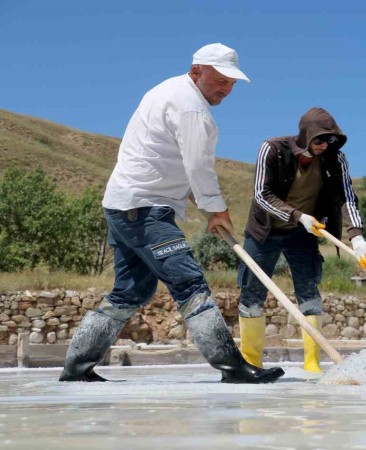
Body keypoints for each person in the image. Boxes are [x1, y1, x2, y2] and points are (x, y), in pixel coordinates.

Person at [59, 43, 284, 384]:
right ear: (197, 71)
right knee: (190, 284)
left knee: (130, 292)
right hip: (145, 210)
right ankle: (232, 367)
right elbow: (197, 164)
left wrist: (200, 200)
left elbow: (170, 160)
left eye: (232, 82)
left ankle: (77, 367)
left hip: (123, 206)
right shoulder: (192, 107)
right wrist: (216, 209)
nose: (226, 88)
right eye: (220, 79)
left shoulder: (167, 90)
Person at [238, 107, 366, 373]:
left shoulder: (335, 159)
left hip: (303, 233)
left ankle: (312, 363)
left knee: (310, 294)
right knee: (252, 294)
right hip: (264, 231)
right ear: (305, 136)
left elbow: (346, 196)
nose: (325, 146)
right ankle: (252, 362)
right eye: (320, 140)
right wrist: (298, 215)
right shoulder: (273, 149)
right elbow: (261, 195)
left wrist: (357, 237)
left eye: (330, 141)